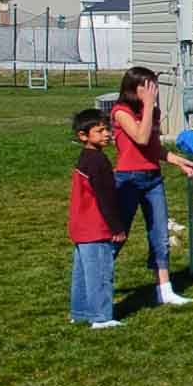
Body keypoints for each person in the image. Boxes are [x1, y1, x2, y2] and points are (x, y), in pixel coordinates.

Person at [109, 66, 193, 306]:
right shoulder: (121, 112)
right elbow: (139, 137)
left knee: (160, 235)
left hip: (152, 179)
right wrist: (148, 106)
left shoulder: (154, 112)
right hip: (128, 179)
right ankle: (99, 285)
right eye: (148, 86)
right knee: (119, 235)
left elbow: (152, 148)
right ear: (134, 88)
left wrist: (176, 160)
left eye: (154, 86)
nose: (154, 91)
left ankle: (164, 289)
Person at [67, 108, 127, 327]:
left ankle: (80, 312)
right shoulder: (98, 162)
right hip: (95, 227)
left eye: (107, 129)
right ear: (83, 136)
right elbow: (105, 197)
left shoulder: (85, 158)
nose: (106, 134)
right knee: (100, 272)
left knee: (82, 272)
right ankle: (101, 317)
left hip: (80, 226)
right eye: (100, 131)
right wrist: (116, 228)